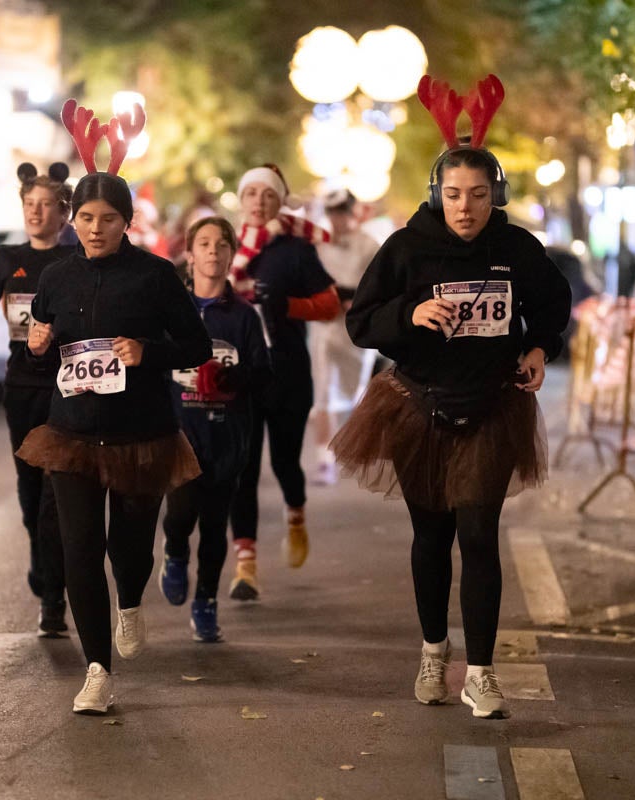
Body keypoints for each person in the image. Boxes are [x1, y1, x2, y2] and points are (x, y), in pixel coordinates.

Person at [332, 119, 571, 718]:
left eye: (480, 196)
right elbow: (361, 321)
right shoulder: (406, 248)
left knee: (479, 536)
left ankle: (482, 674)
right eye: (456, 196)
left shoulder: (517, 249)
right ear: (439, 195)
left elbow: (553, 304)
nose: (467, 209)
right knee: (432, 537)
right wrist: (411, 314)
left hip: (493, 407)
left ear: (498, 196)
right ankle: (434, 650)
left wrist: (540, 347)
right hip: (419, 407)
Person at [17, 172, 211, 714]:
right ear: (71, 219)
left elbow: (195, 345)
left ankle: (130, 599)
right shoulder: (56, 276)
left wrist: (147, 351)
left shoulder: (155, 275)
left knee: (128, 548)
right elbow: (42, 340)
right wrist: (37, 346)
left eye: (107, 219)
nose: (95, 229)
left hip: (139, 435)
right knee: (79, 548)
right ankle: (97, 669)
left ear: (126, 221)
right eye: (85, 218)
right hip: (72, 432)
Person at [0, 162, 75, 636]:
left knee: (58, 491)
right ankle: (42, 560)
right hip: (21, 387)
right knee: (32, 491)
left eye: (46, 205)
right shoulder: (5, 256)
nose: (36, 212)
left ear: (63, 212)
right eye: (30, 204)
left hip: (67, 387)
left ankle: (54, 596)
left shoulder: (74, 261)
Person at [226, 163, 340, 601]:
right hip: (239, 375)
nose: (258, 201)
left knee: (285, 465)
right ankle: (246, 565)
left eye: (267, 195)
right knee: (243, 470)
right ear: (241, 199)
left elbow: (330, 305)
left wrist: (287, 306)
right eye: (251, 193)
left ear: (279, 201)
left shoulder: (294, 249)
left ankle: (296, 516)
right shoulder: (226, 244)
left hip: (287, 373)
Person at [161, 217, 269, 642]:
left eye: (221, 244)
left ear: (230, 255)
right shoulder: (173, 312)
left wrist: (233, 378)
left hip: (226, 437)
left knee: (214, 524)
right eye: (203, 244)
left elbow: (264, 374)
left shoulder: (243, 317)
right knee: (181, 514)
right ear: (190, 254)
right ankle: (172, 553)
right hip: (180, 436)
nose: (212, 251)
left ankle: (206, 601)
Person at [309, 189, 381, 486]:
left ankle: (361, 448)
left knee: (355, 392)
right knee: (322, 390)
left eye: (342, 212)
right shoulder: (319, 246)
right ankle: (324, 458)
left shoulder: (369, 245)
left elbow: (380, 285)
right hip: (324, 324)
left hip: (355, 329)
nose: (337, 219)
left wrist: (358, 304)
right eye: (333, 213)